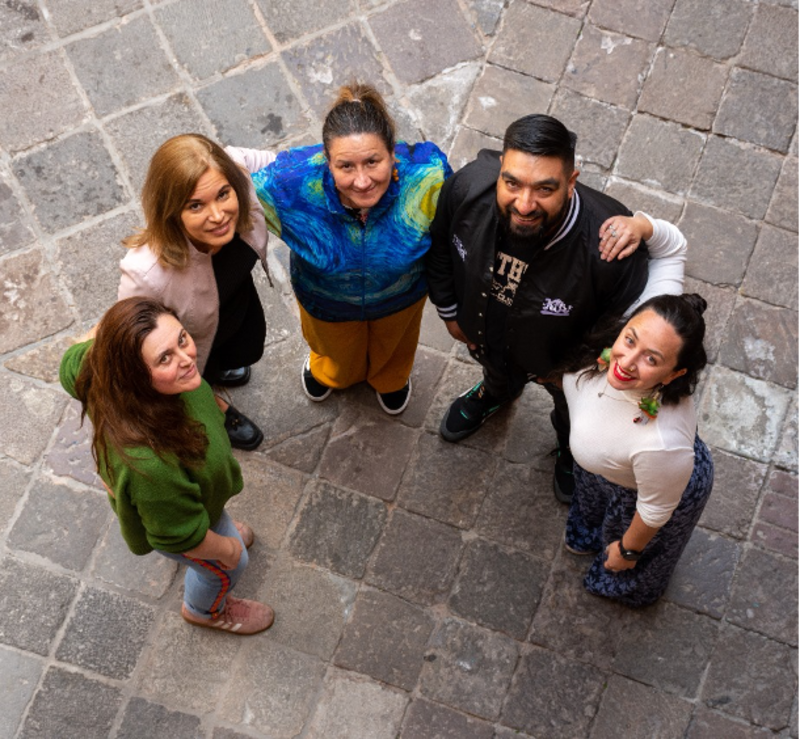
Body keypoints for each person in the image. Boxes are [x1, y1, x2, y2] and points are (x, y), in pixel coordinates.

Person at [425, 113, 686, 503]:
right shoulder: (467, 187)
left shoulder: (609, 249)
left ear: (571, 182)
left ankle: (567, 447)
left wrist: (569, 374)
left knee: (569, 413)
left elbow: (616, 331)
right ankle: (494, 394)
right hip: (487, 337)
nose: (525, 204)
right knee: (496, 372)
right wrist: (450, 313)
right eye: (511, 183)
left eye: (545, 189)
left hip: (560, 367)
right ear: (500, 169)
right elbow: (441, 245)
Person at [232, 82, 453, 415]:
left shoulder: (428, 178)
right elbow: (221, 175)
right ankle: (331, 371)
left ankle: (390, 378)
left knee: (395, 347)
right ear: (326, 161)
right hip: (325, 302)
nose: (362, 181)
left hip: (401, 298)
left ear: (392, 152)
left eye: (373, 162)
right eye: (346, 166)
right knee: (333, 351)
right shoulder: (291, 185)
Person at [60, 298, 274, 634]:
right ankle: (204, 610)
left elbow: (71, 362)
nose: (187, 359)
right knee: (229, 567)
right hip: (179, 520)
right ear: (133, 375)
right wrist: (225, 548)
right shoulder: (154, 465)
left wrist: (114, 331)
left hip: (184, 502)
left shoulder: (99, 368)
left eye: (182, 339)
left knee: (217, 531)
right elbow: (179, 536)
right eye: (164, 358)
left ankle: (217, 525)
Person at [119, 134, 273, 451]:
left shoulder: (234, 170)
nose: (218, 216)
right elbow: (135, 348)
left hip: (235, 311)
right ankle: (215, 406)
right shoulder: (145, 274)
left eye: (223, 194)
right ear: (172, 211)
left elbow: (294, 166)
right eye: (196, 205)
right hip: (189, 344)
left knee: (240, 351)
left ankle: (220, 370)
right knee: (197, 379)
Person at [560, 293, 713, 607]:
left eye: (651, 359)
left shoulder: (662, 444)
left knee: (623, 565)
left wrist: (628, 550)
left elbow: (655, 510)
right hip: (607, 470)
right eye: (629, 340)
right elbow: (670, 250)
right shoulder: (611, 350)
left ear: (673, 375)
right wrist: (645, 238)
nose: (626, 363)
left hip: (654, 490)